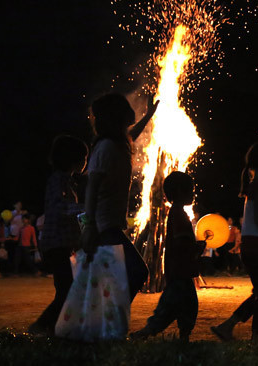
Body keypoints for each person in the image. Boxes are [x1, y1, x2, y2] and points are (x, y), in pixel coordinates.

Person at [54, 93, 157, 341]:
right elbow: (93, 187)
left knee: (111, 279)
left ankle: (104, 327)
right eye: (126, 111)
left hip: (107, 224)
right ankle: (108, 327)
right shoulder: (107, 147)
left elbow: (132, 134)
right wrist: (89, 227)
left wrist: (150, 116)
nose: (131, 113)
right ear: (117, 116)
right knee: (136, 272)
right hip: (102, 224)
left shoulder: (119, 144)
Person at [211, 141, 258, 341]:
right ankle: (255, 335)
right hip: (256, 248)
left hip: (253, 246)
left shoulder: (254, 187)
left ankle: (229, 326)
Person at [130, 172, 206, 342]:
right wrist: (195, 248)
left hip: (182, 271)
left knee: (188, 305)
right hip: (179, 271)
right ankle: (144, 333)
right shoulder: (178, 214)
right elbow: (181, 243)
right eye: (190, 190)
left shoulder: (178, 213)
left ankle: (183, 336)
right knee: (168, 308)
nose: (193, 194)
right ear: (180, 192)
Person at [28, 135, 88, 335]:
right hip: (56, 244)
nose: (86, 162)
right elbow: (60, 207)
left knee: (66, 289)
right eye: (84, 157)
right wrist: (85, 208)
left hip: (63, 244)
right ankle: (42, 325)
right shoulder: (58, 180)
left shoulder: (68, 182)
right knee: (67, 289)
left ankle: (53, 328)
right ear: (74, 159)